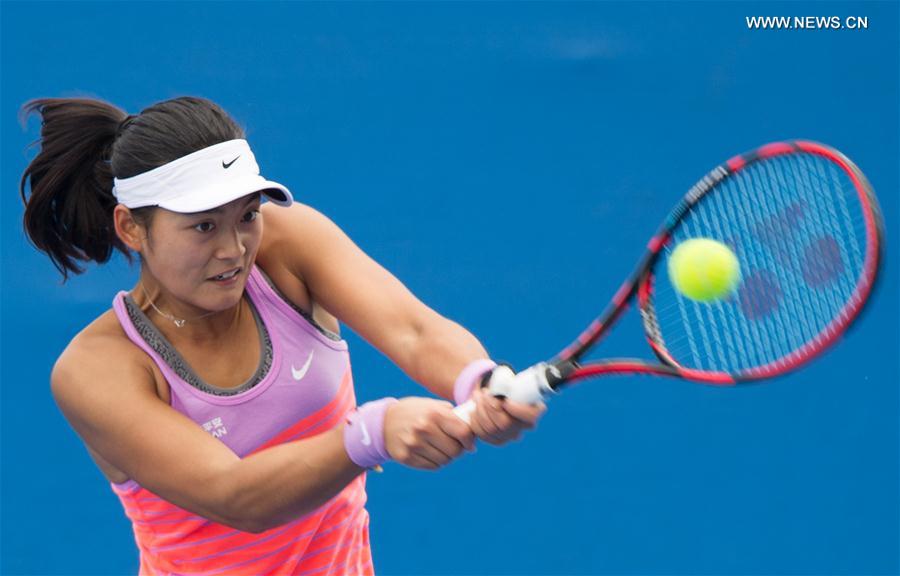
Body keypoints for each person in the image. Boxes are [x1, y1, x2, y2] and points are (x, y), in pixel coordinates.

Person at [19, 96, 545, 575]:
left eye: (247, 214)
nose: (234, 249)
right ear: (132, 227)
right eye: (204, 226)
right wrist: (370, 433)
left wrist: (478, 383)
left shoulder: (286, 244)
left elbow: (413, 329)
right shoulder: (95, 370)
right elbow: (236, 497)